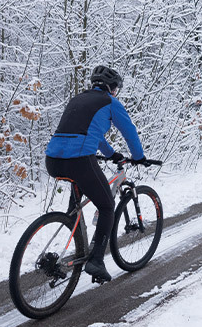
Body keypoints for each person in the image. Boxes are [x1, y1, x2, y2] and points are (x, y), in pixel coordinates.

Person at [44, 65, 146, 283]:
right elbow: (129, 131)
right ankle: (96, 260)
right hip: (79, 160)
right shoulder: (110, 102)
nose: (116, 92)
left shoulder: (77, 99)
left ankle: (75, 248)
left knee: (75, 209)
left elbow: (92, 132)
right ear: (110, 87)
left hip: (53, 160)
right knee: (107, 206)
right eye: (116, 88)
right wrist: (138, 156)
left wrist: (111, 153)